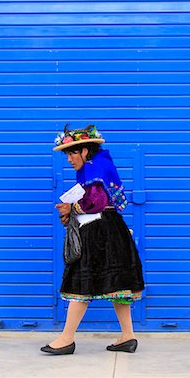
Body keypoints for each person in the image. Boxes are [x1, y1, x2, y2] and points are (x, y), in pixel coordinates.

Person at [41, 124, 144, 355]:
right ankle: (128, 336)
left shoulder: (92, 169)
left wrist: (71, 207)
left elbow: (95, 203)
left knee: (81, 283)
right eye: (67, 153)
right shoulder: (100, 165)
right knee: (118, 284)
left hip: (98, 233)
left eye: (71, 153)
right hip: (112, 230)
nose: (68, 159)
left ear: (85, 151)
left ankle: (67, 339)